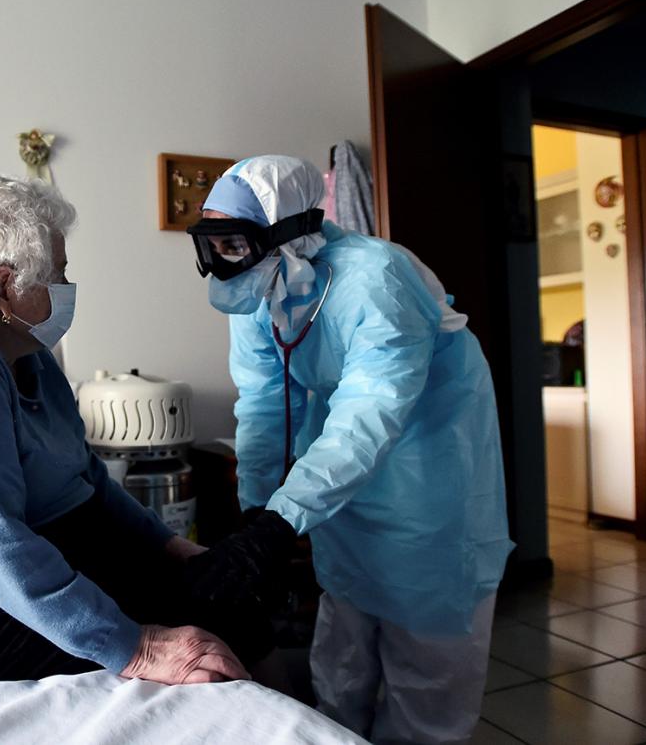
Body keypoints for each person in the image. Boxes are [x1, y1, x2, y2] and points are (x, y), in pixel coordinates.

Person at [0, 173, 274, 685]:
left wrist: (168, 546)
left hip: (46, 544)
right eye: (58, 274)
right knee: (208, 628)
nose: (67, 289)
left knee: (230, 595)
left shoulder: (28, 353)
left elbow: (85, 477)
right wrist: (135, 647)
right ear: (5, 285)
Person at [185, 155, 513, 744]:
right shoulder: (261, 285)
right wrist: (257, 510)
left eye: (232, 243)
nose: (220, 264)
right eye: (211, 245)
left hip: (426, 477)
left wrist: (284, 520)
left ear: (287, 231)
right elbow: (263, 402)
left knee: (426, 673)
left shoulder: (375, 280)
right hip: (343, 477)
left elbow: (371, 411)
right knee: (342, 650)